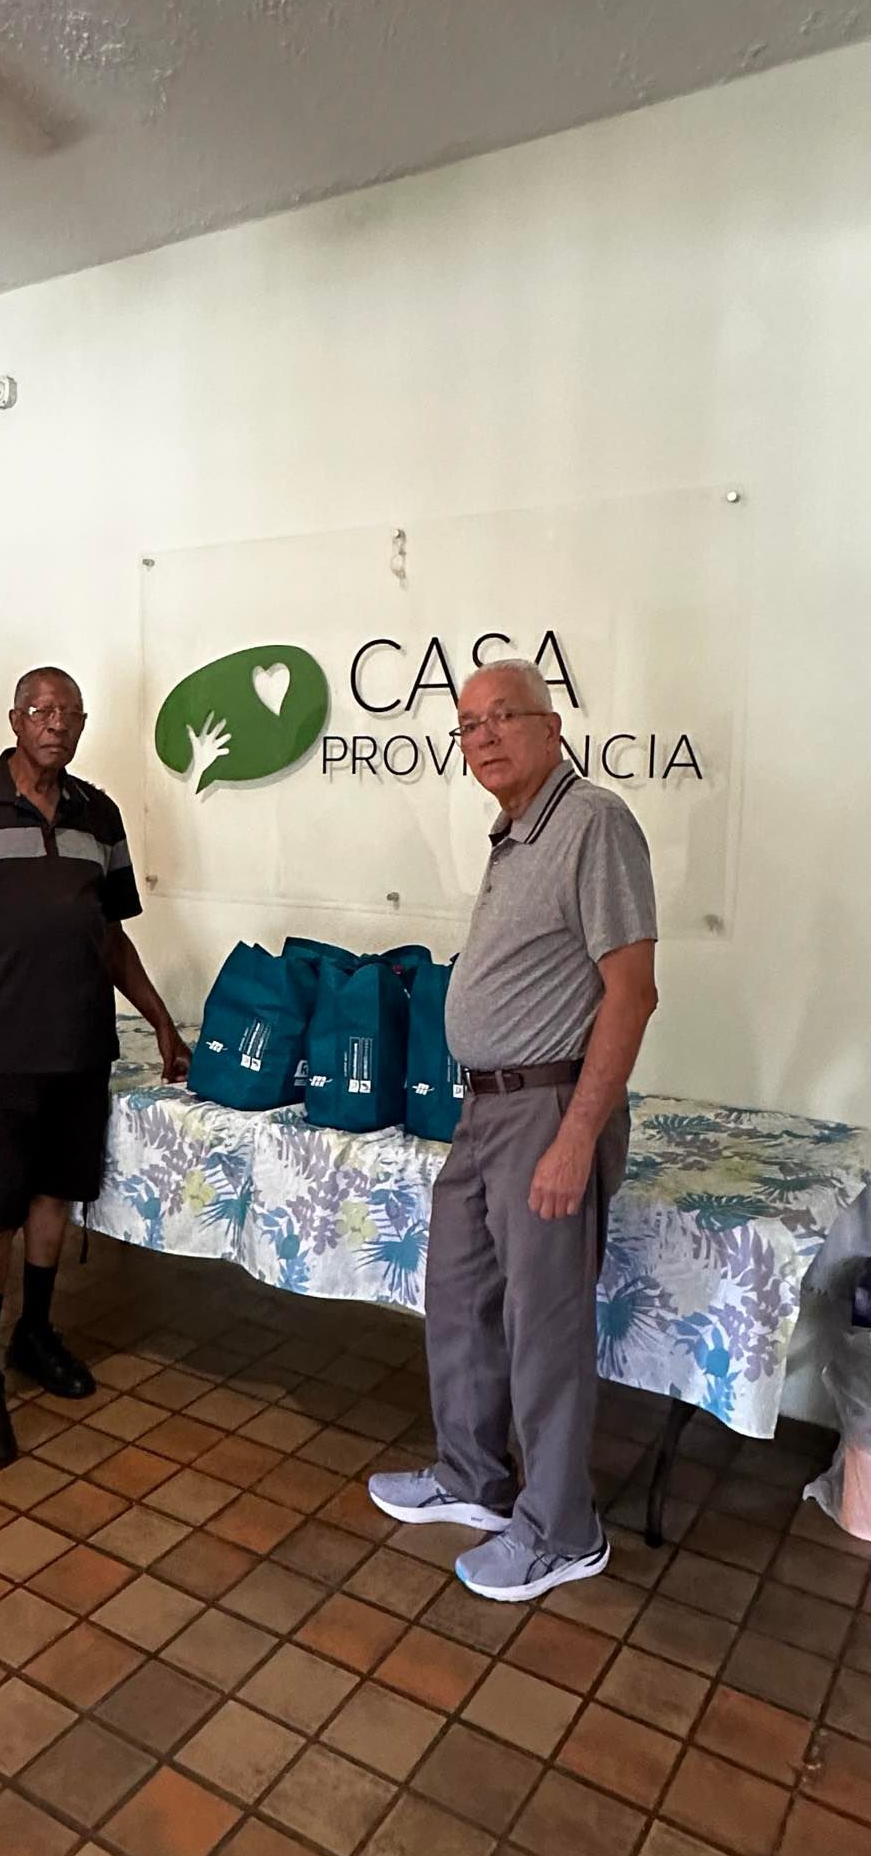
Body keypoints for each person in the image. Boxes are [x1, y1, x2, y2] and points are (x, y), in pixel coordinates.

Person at [369, 658, 658, 1601]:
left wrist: (576, 1138)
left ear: (552, 727)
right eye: (469, 725)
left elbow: (631, 994)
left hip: (546, 1109)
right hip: (484, 1109)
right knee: (458, 1296)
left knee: (545, 1329)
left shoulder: (593, 823)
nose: (484, 735)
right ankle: (474, 1479)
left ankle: (563, 1530)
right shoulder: (514, 832)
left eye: (504, 716)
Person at [0, 665, 190, 1468]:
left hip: (80, 1051)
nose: (55, 722)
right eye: (39, 709)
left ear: (82, 724)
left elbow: (110, 937)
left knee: (54, 1197)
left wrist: (162, 1023)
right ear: (15, 719)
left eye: (69, 712)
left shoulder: (99, 813)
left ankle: (34, 1332)